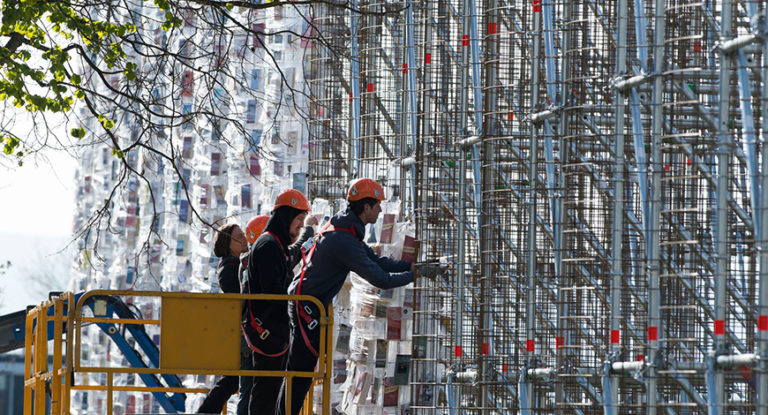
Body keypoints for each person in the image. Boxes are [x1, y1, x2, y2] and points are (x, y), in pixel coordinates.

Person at [277, 178, 417, 415]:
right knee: (300, 372)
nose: (381, 210)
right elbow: (381, 279)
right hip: (306, 306)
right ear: (365, 207)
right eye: (377, 205)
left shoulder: (342, 230)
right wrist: (417, 275)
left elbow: (378, 261)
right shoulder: (343, 239)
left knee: (300, 371)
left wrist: (412, 266)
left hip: (304, 302)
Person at [242, 189, 313, 415]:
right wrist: (298, 302)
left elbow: (291, 256)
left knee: (270, 391)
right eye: (298, 220)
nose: (299, 227)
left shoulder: (274, 244)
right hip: (267, 330)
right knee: (266, 391)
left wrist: (310, 236)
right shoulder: (268, 246)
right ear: (285, 216)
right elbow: (274, 291)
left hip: (273, 329)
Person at [197, 223, 250, 414]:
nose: (244, 239)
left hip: (238, 331)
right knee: (237, 379)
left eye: (243, 234)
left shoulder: (236, 264)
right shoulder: (229, 269)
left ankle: (206, 411)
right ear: (228, 244)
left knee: (233, 379)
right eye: (238, 237)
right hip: (239, 332)